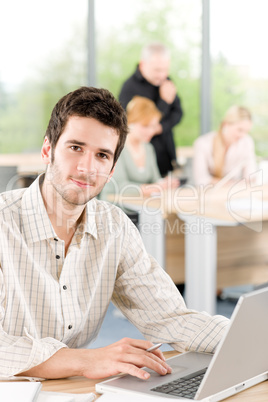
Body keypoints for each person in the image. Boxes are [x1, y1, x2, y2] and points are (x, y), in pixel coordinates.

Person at [0, 86, 229, 381]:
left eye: (102, 155)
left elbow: (169, 318)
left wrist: (247, 337)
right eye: (75, 148)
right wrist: (85, 361)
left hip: (69, 391)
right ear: (48, 149)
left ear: (111, 170)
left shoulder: (114, 227)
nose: (87, 168)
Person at [119, 41, 183, 177]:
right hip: (142, 158)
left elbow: (178, 113)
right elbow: (130, 124)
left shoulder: (167, 81)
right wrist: (164, 102)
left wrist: (160, 127)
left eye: (165, 70)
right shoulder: (129, 87)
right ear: (143, 65)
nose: (162, 75)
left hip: (167, 153)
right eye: (157, 70)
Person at [101, 96, 179, 200]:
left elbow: (155, 180)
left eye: (153, 126)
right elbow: (119, 186)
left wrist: (164, 183)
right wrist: (150, 188)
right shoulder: (116, 146)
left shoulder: (148, 148)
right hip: (115, 207)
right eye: (145, 126)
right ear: (130, 122)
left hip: (139, 207)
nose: (151, 131)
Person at [193, 105, 257, 186]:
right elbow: (200, 180)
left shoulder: (247, 142)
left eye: (246, 131)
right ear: (225, 125)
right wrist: (231, 184)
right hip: (210, 194)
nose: (243, 135)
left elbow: (251, 176)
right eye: (240, 130)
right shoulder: (203, 143)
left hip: (236, 194)